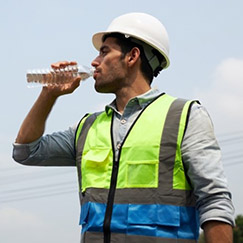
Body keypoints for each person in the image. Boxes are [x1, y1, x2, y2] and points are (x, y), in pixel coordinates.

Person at [12, 12, 234, 243]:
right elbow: (26, 151)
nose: (95, 62)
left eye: (104, 51)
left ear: (132, 56)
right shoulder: (88, 127)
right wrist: (48, 95)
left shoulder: (185, 116)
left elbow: (214, 202)